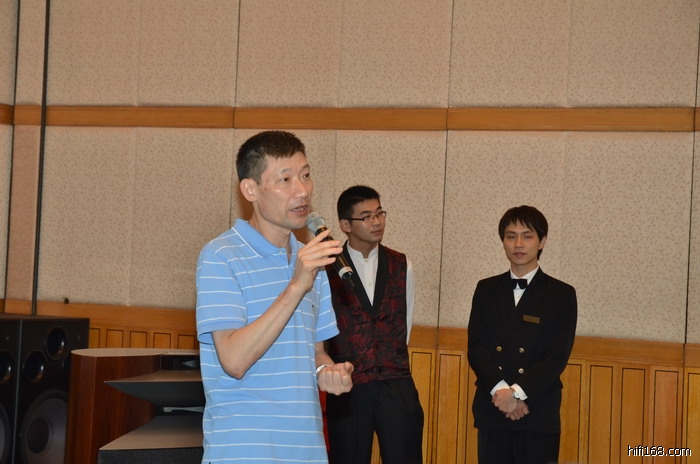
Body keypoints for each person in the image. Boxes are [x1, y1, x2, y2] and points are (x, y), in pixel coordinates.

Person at [195, 130, 354, 464]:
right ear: (250, 190)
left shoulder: (310, 260)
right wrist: (296, 286)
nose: (302, 190)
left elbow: (314, 352)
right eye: (285, 179)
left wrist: (327, 371)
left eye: (306, 175)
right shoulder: (220, 257)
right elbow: (234, 361)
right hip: (244, 451)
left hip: (306, 449)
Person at [467, 205, 577, 464]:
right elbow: (477, 347)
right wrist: (502, 393)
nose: (518, 244)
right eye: (511, 236)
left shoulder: (561, 294)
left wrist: (516, 394)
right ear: (503, 241)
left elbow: (557, 356)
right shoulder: (486, 289)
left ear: (542, 241)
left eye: (527, 236)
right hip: (494, 405)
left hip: (537, 407)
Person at [324, 185, 424, 464]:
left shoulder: (403, 264)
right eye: (366, 216)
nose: (377, 221)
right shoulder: (326, 268)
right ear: (345, 225)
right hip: (348, 386)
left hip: (396, 383)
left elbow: (405, 324)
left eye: (379, 213)